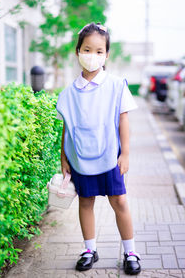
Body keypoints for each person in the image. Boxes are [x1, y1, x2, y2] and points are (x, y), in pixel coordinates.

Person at [56, 22, 141, 275]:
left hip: (109, 156)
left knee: (120, 201)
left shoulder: (116, 85)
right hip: (80, 158)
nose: (92, 56)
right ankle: (90, 249)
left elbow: (123, 119)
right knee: (85, 201)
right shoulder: (68, 93)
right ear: (78, 51)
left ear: (107, 54)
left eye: (99, 51)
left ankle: (130, 251)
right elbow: (67, 127)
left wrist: (125, 153)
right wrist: (64, 157)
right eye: (87, 49)